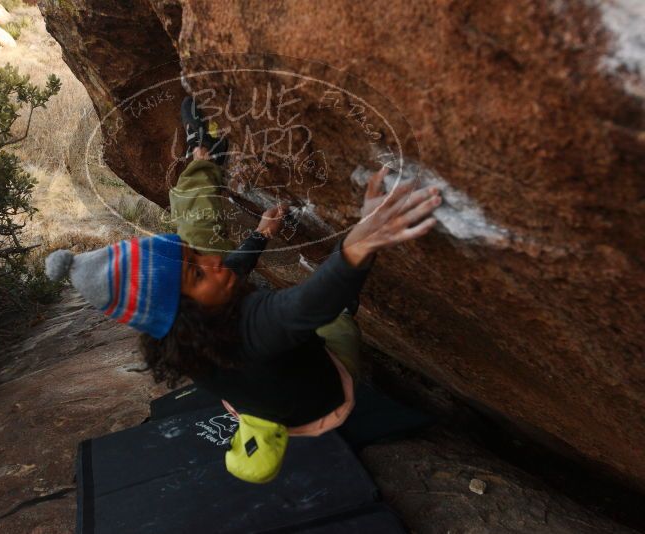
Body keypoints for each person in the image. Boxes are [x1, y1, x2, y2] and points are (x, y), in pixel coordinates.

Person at [45, 96, 441, 481]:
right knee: (336, 322)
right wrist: (360, 244)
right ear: (187, 313)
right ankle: (334, 333)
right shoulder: (254, 329)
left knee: (197, 239)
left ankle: (204, 157)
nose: (212, 263)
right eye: (198, 275)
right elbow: (307, 305)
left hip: (250, 397)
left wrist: (258, 235)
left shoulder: (176, 337)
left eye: (195, 258)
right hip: (322, 402)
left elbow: (221, 267)